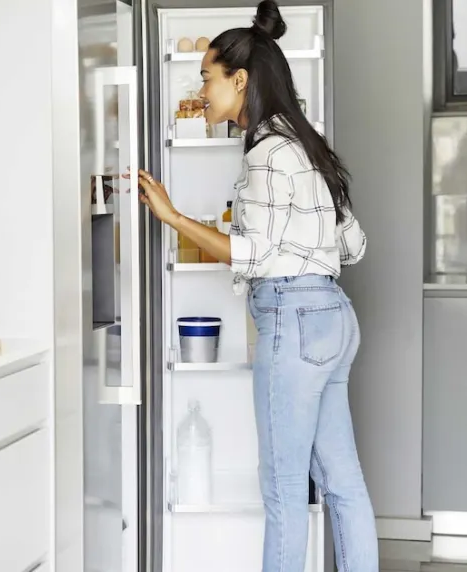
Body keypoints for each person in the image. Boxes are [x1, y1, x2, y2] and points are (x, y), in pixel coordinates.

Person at [129, 1, 379, 570]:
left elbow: (255, 252)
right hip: (335, 317)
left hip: (293, 321)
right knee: (343, 483)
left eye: (207, 79)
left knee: (285, 489)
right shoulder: (307, 144)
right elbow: (354, 246)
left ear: (240, 80)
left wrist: (172, 217)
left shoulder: (267, 154)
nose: (202, 92)